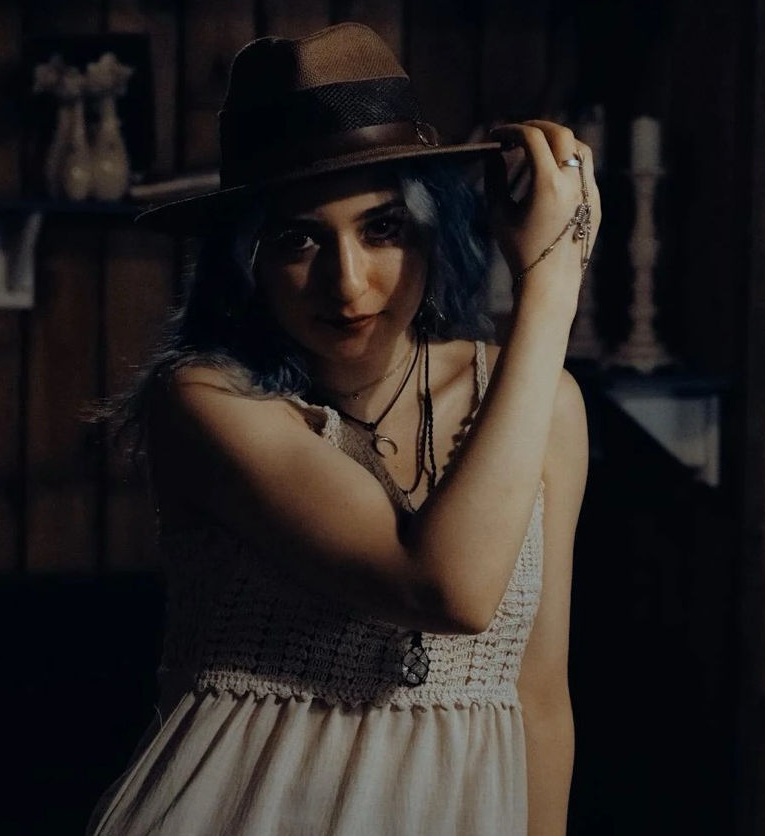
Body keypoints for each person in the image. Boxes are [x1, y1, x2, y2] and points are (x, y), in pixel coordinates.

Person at [86, 21, 598, 836]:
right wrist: (548, 285)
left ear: (429, 229)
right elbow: (449, 589)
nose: (348, 282)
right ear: (245, 259)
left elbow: (538, 697)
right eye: (297, 239)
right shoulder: (207, 401)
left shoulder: (540, 399)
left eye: (382, 229)